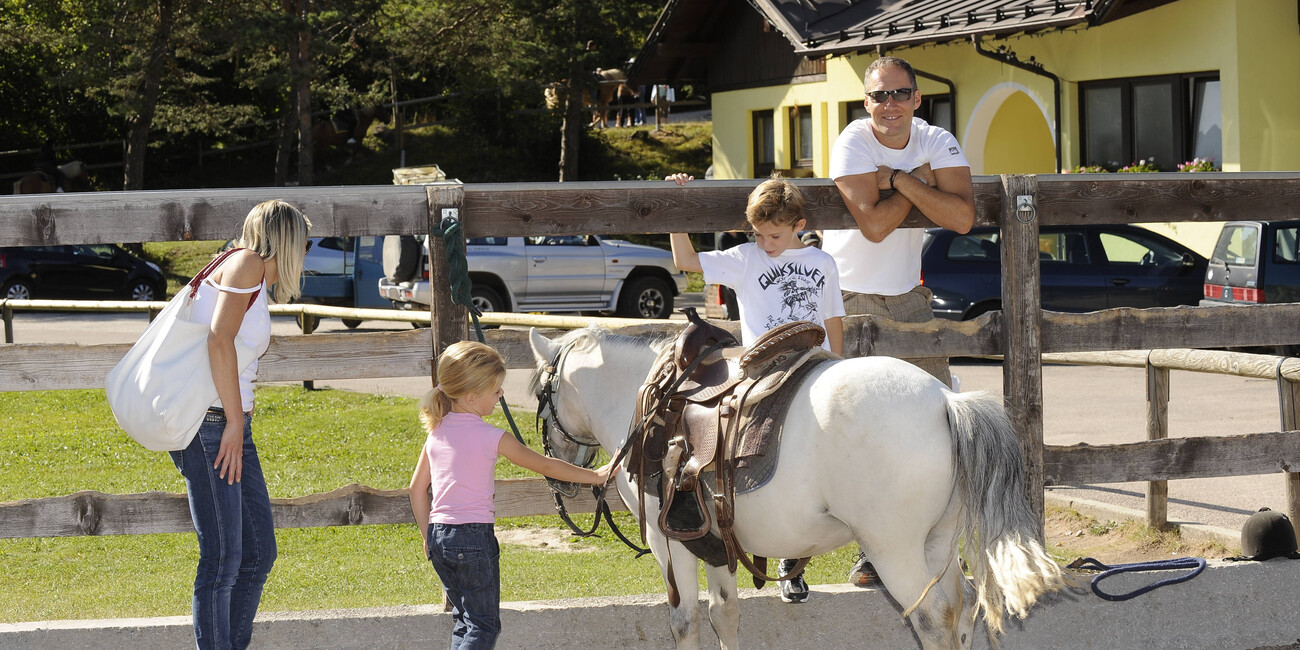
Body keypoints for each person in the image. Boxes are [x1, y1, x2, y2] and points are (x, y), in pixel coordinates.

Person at [823, 55, 975, 589]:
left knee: (937, 422)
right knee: (859, 426)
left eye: (899, 94)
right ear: (866, 102)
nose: (888, 105)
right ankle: (870, 553)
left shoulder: (936, 138)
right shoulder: (853, 142)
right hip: (846, 295)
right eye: (878, 96)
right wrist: (922, 185)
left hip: (909, 296)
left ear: (916, 99)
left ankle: (933, 546)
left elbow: (962, 218)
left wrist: (901, 182)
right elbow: (873, 227)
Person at [668, 174, 845, 605]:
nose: (767, 243)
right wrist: (677, 205)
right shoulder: (745, 258)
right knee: (746, 437)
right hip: (763, 364)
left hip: (814, 361)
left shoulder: (824, 263)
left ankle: (794, 551)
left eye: (776, 235)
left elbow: (833, 318)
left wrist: (839, 366)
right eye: (760, 234)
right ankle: (739, 519)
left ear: (799, 224)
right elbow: (686, 260)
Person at [409, 341, 617, 649]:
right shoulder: (492, 437)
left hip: (440, 537)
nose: (501, 395)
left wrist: (428, 535)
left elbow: (415, 490)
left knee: (465, 621)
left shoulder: (437, 432)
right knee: (483, 627)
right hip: (473, 539)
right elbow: (545, 464)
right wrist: (596, 476)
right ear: (471, 397)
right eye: (495, 390)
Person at [169, 199, 311, 649]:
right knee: (224, 557)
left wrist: (237, 420)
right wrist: (233, 420)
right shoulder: (247, 262)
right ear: (286, 240)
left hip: (228, 423)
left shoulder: (245, 271)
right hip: (211, 424)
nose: (306, 252)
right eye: (303, 242)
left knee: (256, 552)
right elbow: (218, 340)